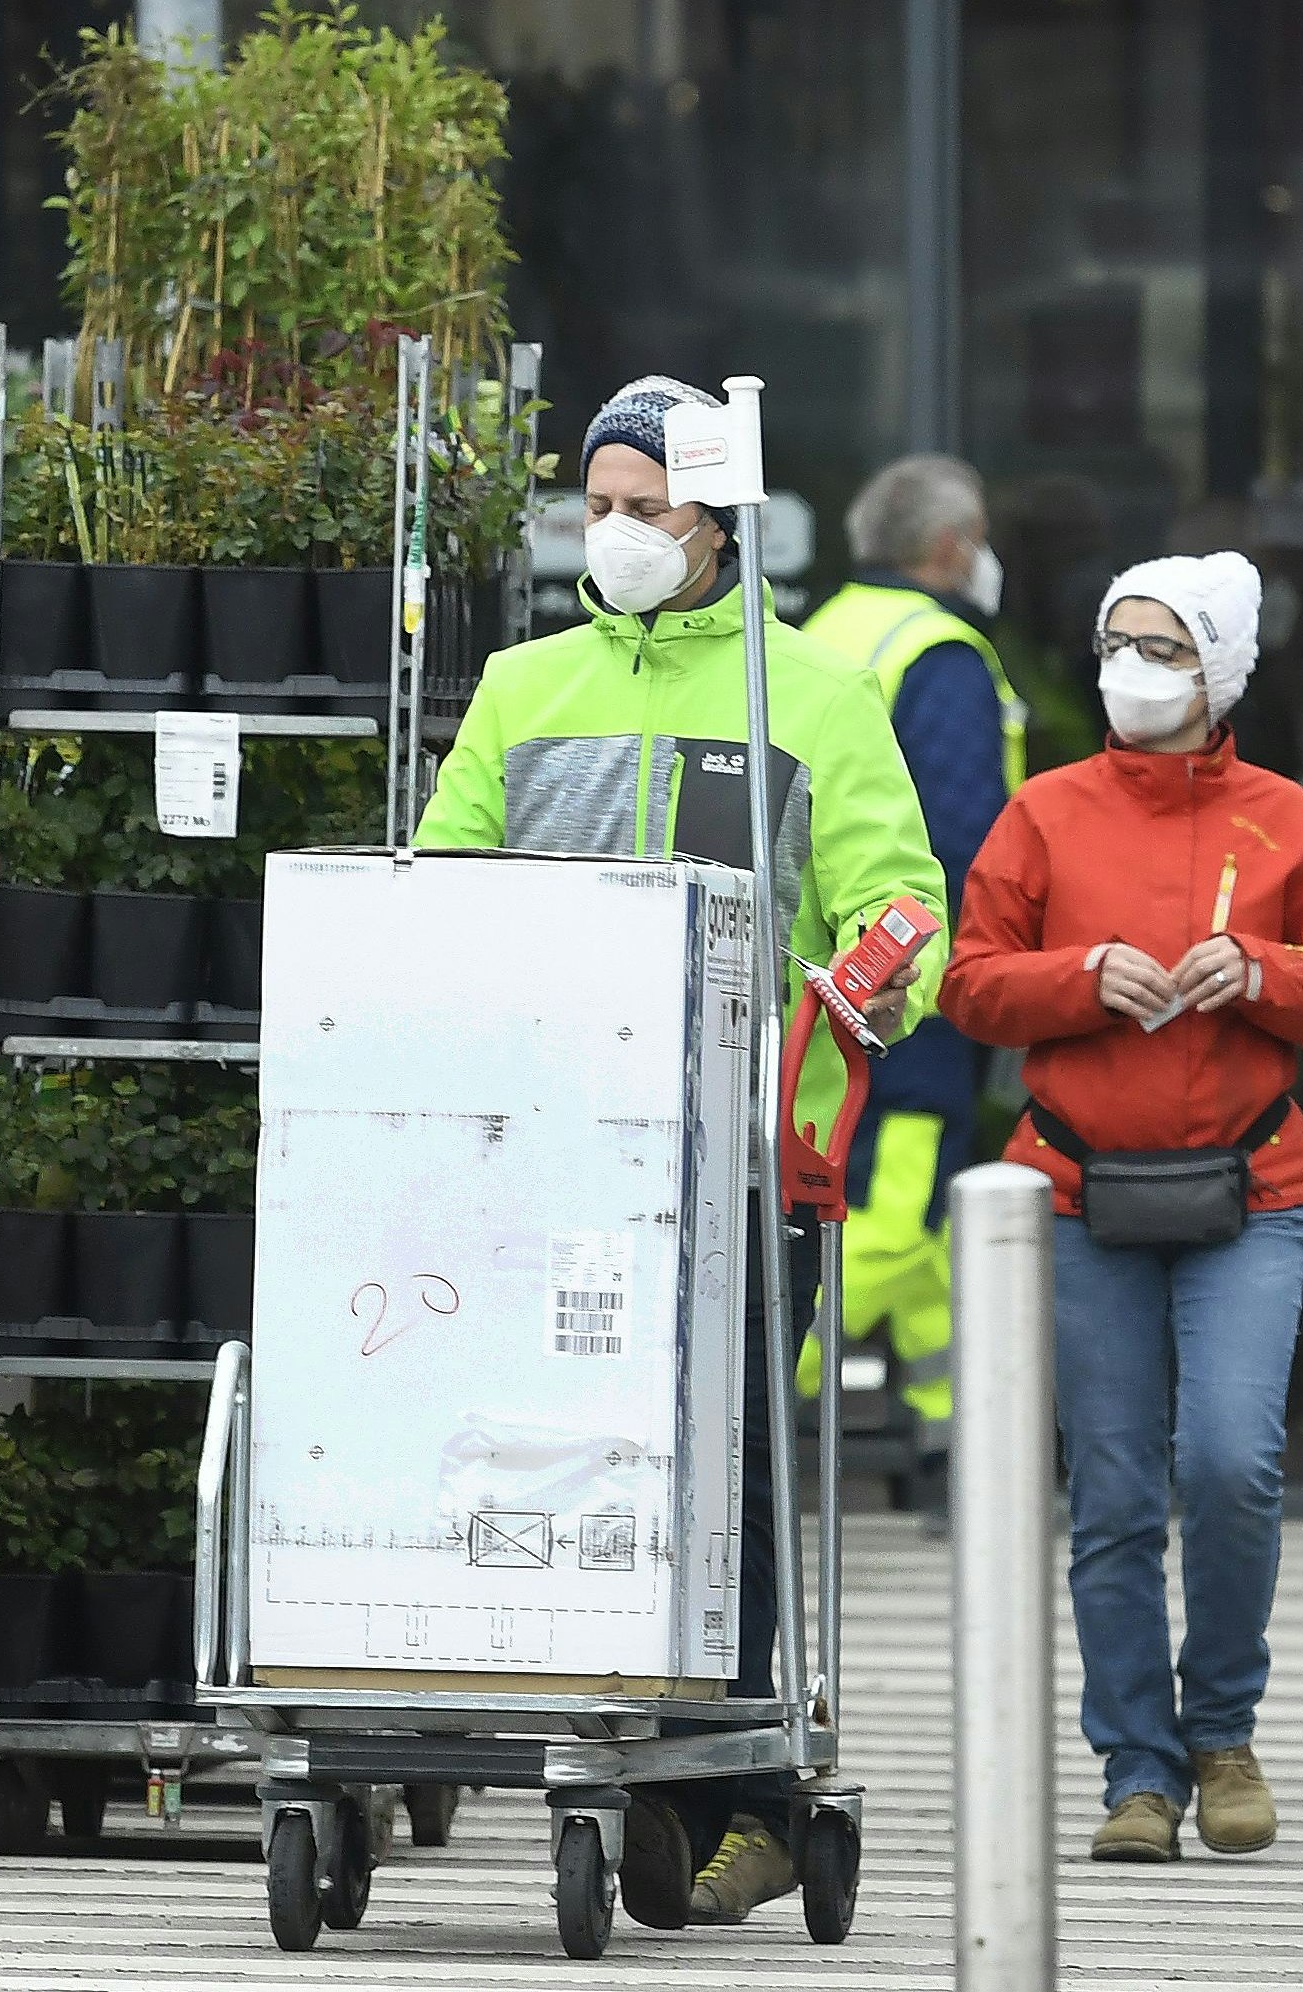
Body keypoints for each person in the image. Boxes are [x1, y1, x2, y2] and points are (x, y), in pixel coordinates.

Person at [415, 375, 950, 1929]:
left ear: (720, 521)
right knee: (559, 1447)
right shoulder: (522, 687)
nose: (620, 533)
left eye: (648, 509)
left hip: (735, 1157)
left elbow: (898, 909)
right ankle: (632, 1764)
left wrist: (874, 975)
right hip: (549, 1156)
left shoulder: (814, 700)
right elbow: (446, 889)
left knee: (723, 1458)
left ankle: (745, 1791)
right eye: (601, 507)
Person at [943, 551, 1303, 1863]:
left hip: (1253, 1187)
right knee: (1116, 1490)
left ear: (1221, 671)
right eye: (1118, 642)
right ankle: (1138, 1769)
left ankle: (1222, 1729)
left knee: (1229, 1465)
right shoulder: (1043, 814)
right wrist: (1081, 978)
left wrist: (1253, 967)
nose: (1134, 668)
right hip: (1076, 1190)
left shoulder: (1285, 818)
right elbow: (969, 985)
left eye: (1166, 647)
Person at [798, 453, 1022, 1527]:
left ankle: (943, 1441)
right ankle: (756, 1383)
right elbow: (965, 834)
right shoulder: (941, 654)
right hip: (909, 987)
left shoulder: (822, 629)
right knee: (896, 1208)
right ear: (951, 547)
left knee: (909, 1216)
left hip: (819, 971)